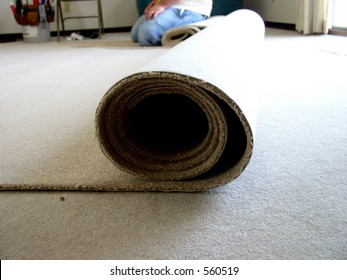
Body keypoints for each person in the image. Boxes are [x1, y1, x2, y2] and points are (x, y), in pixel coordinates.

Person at [131, 0, 213, 46]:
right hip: (171, 5)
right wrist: (157, 2)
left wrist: (162, 5)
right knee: (135, 35)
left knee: (146, 35)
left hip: (191, 9)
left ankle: (195, 26)